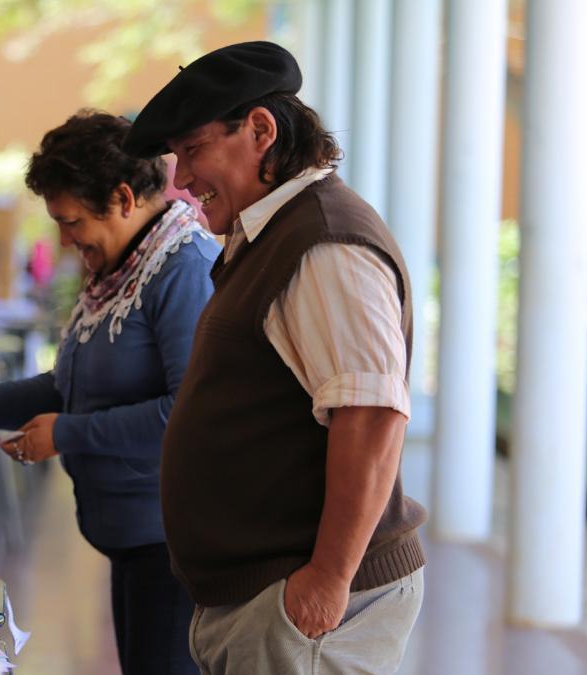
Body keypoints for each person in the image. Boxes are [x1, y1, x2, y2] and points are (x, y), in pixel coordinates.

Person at [123, 41, 426, 674]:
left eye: (193, 150)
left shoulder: (322, 243)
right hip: (268, 597)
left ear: (260, 129)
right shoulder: (274, 235)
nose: (179, 179)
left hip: (302, 607)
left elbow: (371, 416)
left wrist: (325, 581)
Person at [0, 110, 219, 675]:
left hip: (172, 545)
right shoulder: (122, 267)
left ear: (125, 198)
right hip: (133, 541)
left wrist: (68, 435)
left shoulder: (183, 271)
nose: (63, 238)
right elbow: (73, 386)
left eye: (72, 220)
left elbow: (190, 415)